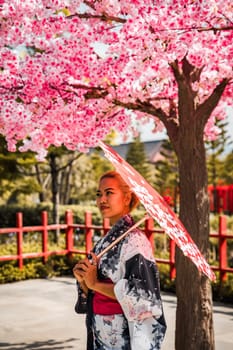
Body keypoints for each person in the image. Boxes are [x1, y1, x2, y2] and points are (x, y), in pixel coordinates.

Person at [73, 170, 166, 350]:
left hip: (124, 335)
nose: (102, 200)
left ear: (126, 198)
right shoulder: (106, 240)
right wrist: (84, 279)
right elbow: (92, 287)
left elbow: (143, 296)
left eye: (109, 193)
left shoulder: (135, 242)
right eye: (99, 194)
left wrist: (94, 285)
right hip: (100, 332)